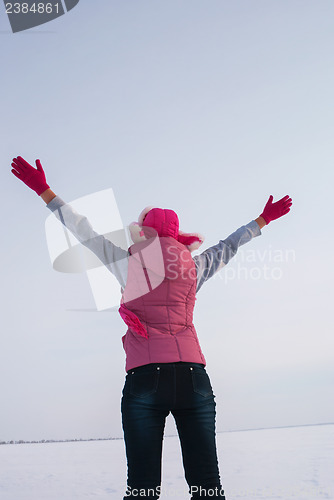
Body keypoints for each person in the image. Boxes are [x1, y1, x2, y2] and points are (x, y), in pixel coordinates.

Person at [11, 155, 292, 499]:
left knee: (142, 488)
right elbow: (229, 246)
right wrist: (262, 220)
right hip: (193, 376)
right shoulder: (194, 265)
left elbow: (83, 230)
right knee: (207, 485)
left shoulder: (126, 263)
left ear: (142, 230)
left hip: (145, 377)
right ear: (177, 232)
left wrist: (45, 191)